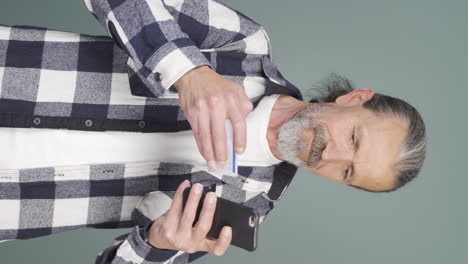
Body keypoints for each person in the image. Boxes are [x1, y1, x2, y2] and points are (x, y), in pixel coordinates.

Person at [0, 0, 427, 263]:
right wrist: (189, 70)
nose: (329, 157)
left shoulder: (241, 206)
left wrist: (160, 244)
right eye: (353, 138)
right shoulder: (244, 47)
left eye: (347, 172)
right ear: (354, 99)